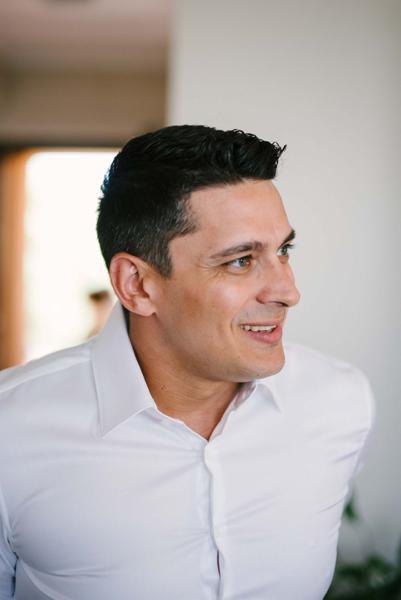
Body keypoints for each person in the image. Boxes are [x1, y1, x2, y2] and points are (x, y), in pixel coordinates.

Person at [0, 125, 375, 600]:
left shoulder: (340, 403)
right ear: (137, 284)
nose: (288, 291)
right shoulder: (10, 431)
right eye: (241, 260)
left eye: (284, 250)